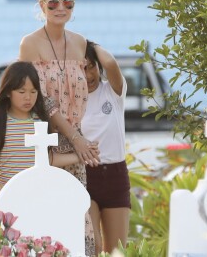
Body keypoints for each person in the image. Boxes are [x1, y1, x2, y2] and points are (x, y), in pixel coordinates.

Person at [18, 0, 98, 256]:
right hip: (45, 141)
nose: (61, 8)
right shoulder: (30, 44)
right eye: (53, 3)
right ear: (42, 6)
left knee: (76, 215)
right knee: (44, 215)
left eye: (68, 3)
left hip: (77, 141)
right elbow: (40, 98)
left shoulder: (81, 44)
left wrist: (82, 141)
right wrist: (74, 138)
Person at [0, 61, 82, 201]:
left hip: (38, 198)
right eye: (21, 92)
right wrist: (2, 193)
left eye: (33, 91)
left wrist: (80, 157)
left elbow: (47, 159)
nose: (28, 97)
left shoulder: (41, 122)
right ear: (8, 92)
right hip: (10, 199)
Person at [81, 40, 131, 255]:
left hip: (116, 176)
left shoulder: (113, 91)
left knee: (117, 250)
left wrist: (87, 44)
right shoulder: (71, 100)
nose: (88, 74)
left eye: (90, 66)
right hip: (85, 176)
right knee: (94, 247)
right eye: (80, 69)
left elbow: (110, 62)